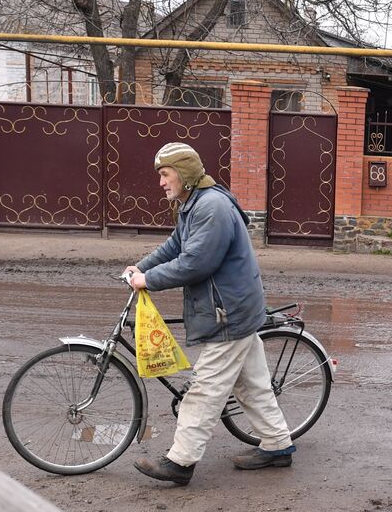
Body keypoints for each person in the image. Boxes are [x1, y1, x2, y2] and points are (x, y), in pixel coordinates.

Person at [123, 142, 295, 486]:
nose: (160, 182)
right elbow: (176, 245)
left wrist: (148, 280)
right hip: (235, 306)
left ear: (184, 174)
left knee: (204, 389)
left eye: (165, 174)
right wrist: (140, 267)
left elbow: (196, 263)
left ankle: (180, 462)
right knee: (252, 384)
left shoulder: (212, 207)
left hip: (228, 311)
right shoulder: (194, 203)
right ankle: (277, 445)